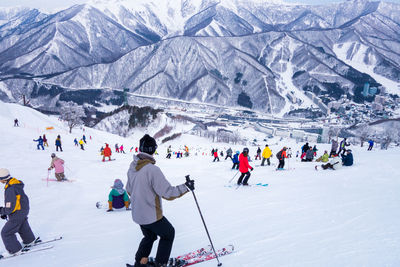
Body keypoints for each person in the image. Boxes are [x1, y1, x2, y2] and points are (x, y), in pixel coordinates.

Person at [126, 134, 193, 267]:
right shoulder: (152, 169)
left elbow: (129, 189)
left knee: (149, 237)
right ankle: (160, 264)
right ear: (152, 150)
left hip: (137, 214)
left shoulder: (133, 167)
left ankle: (139, 262)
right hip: (151, 215)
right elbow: (168, 193)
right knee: (168, 233)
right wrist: (186, 187)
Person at [0, 169, 37, 257]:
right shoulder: (15, 184)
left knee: (6, 232)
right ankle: (29, 240)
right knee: (22, 224)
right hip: (23, 210)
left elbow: (10, 207)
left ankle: (15, 250)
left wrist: (2, 211)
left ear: (2, 178)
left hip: (17, 212)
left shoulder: (10, 189)